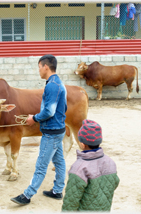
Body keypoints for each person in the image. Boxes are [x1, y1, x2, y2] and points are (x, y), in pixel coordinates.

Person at [11, 54, 67, 205]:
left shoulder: (51, 86)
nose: (39, 71)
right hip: (59, 129)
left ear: (45, 67)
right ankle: (57, 190)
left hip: (51, 132)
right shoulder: (58, 83)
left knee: (41, 165)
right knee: (59, 162)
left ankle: (27, 195)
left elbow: (49, 111)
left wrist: (33, 118)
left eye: (39, 67)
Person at [62, 119, 120, 211]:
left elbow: (71, 201)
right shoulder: (110, 162)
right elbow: (115, 182)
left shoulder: (78, 168)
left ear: (82, 144)